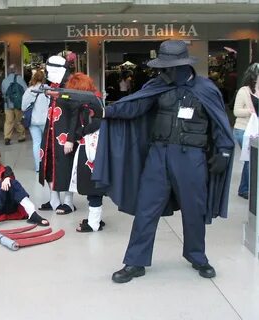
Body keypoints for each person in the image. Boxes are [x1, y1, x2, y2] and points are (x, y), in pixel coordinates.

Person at [91, 40, 235, 283]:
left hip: (191, 158)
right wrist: (105, 111)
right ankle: (135, 262)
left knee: (194, 210)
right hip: (158, 156)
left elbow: (219, 123)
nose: (163, 71)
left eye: (168, 67)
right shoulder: (156, 86)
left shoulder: (206, 89)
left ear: (182, 65)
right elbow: (134, 106)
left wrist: (224, 151)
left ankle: (197, 256)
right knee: (146, 210)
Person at [63, 73, 106, 232]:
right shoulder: (95, 98)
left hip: (90, 145)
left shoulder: (89, 101)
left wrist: (78, 133)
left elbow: (96, 122)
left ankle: (94, 224)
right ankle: (96, 219)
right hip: (94, 144)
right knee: (93, 184)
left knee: (91, 185)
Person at [0, 145, 49, 228]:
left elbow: (13, 188)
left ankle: (32, 213)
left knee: (12, 182)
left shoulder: (6, 170)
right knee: (1, 184)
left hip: (7, 205)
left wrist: (7, 178)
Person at [38, 55, 77, 215]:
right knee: (48, 165)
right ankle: (54, 199)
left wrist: (71, 138)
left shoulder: (72, 86)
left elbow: (76, 114)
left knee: (66, 166)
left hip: (65, 133)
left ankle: (68, 202)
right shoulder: (53, 85)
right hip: (50, 133)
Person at [232, 63, 259, 199]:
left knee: (251, 160)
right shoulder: (244, 91)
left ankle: (244, 188)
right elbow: (236, 111)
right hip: (243, 130)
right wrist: (250, 111)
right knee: (251, 160)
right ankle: (247, 189)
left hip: (255, 130)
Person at [21, 70, 49, 172]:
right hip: (45, 120)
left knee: (36, 143)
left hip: (33, 121)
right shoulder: (47, 90)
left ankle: (38, 167)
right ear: (44, 79)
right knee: (46, 143)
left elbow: (23, 107)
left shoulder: (29, 91)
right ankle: (47, 166)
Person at [1, 64, 27, 145]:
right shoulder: (19, 79)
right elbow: (26, 90)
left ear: (8, 71)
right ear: (15, 70)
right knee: (18, 121)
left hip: (7, 104)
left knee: (8, 121)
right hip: (18, 104)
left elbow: (3, 92)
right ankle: (21, 135)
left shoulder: (4, 80)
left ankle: (7, 137)